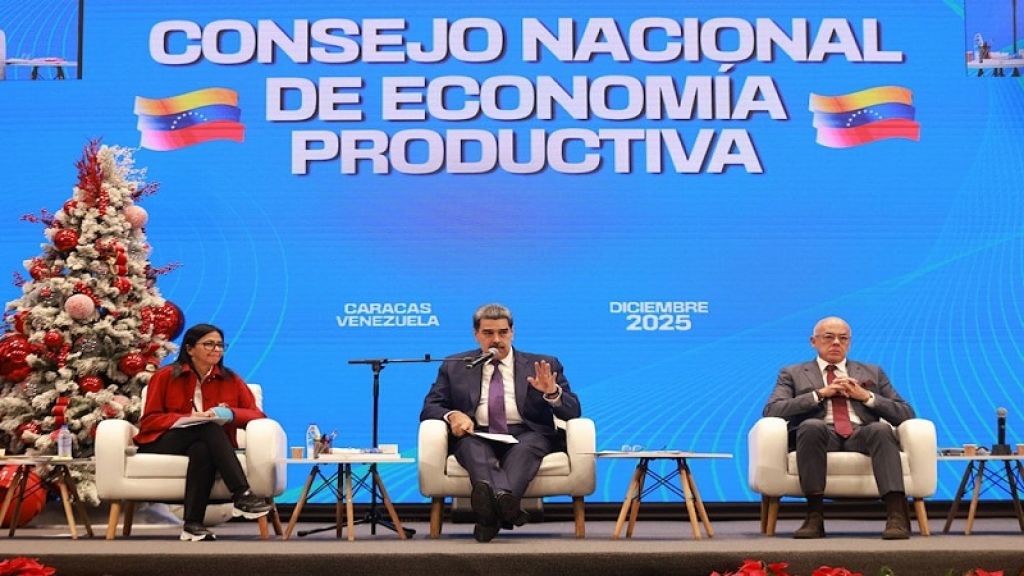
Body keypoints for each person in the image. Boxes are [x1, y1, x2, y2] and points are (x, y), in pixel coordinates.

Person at [420, 303, 581, 543]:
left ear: (512, 332)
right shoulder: (455, 365)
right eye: (488, 333)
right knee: (473, 449)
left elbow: (573, 411)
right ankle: (508, 508)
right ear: (476, 334)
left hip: (527, 433)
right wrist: (453, 415)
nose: (496, 339)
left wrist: (552, 393)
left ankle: (489, 518)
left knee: (526, 449)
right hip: (476, 433)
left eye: (503, 332)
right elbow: (431, 406)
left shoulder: (543, 364)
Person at [764, 316, 916, 540]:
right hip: (820, 435)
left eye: (843, 338)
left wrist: (866, 396)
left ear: (849, 343)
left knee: (881, 430)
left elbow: (905, 413)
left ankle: (896, 516)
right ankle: (814, 517)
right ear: (813, 341)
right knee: (812, 426)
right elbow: (773, 410)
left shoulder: (872, 372)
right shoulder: (792, 373)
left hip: (860, 434)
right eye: (829, 337)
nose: (836, 342)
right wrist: (819, 394)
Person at [135, 323, 273, 541]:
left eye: (220, 345)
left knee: (202, 448)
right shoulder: (165, 376)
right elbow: (149, 421)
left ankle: (192, 525)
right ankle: (241, 493)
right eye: (209, 344)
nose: (216, 349)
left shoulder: (230, 379)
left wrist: (228, 414)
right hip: (163, 441)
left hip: (206, 442)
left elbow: (257, 415)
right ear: (190, 349)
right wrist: (186, 419)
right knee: (208, 428)